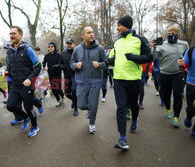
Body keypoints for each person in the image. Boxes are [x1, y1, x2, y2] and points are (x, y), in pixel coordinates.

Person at [109, 15, 152, 149]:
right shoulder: (117, 42)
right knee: (121, 108)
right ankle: (122, 138)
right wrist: (101, 63)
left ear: (126, 25)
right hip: (119, 79)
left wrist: (134, 58)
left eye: (119, 25)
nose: (117, 28)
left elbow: (149, 57)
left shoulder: (140, 39)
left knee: (134, 105)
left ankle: (134, 120)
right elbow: (112, 59)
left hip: (134, 80)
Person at [4, 26, 41, 137]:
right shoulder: (9, 50)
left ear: (21, 35)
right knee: (10, 106)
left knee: (28, 108)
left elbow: (38, 66)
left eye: (14, 33)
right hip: (15, 84)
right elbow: (9, 65)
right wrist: (6, 71)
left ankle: (35, 127)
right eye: (10, 34)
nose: (11, 36)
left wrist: (30, 79)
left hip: (27, 85)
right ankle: (25, 118)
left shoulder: (28, 49)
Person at [70, 26, 106, 134]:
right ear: (83, 35)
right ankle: (89, 110)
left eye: (92, 32)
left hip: (95, 81)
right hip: (81, 81)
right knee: (81, 105)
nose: (92, 34)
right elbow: (71, 63)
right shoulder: (77, 49)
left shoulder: (100, 48)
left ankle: (92, 124)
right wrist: (76, 65)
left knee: (94, 104)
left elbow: (107, 62)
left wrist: (99, 64)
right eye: (89, 32)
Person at [152, 25, 189, 127]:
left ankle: (176, 117)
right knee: (166, 95)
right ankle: (168, 109)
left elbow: (188, 57)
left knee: (177, 95)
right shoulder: (161, 45)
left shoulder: (184, 44)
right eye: (168, 33)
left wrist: (185, 65)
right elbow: (154, 57)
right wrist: (154, 48)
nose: (170, 35)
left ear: (177, 34)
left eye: (172, 33)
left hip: (178, 74)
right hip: (164, 74)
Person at [178, 46, 195, 140]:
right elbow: (183, 67)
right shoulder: (191, 50)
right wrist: (180, 65)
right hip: (192, 84)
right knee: (191, 108)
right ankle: (189, 116)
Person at [60, 38, 78, 116]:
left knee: (74, 92)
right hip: (66, 76)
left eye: (70, 43)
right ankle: (74, 101)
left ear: (74, 44)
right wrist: (63, 67)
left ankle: (76, 108)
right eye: (67, 43)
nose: (69, 45)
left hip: (75, 76)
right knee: (67, 94)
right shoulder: (63, 53)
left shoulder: (77, 53)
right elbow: (60, 63)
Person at [43, 42, 64, 107]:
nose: (50, 48)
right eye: (49, 47)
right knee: (53, 89)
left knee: (57, 88)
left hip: (58, 74)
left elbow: (62, 64)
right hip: (51, 74)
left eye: (51, 46)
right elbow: (43, 63)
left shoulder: (59, 55)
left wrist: (57, 65)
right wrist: (45, 67)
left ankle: (62, 96)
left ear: (54, 47)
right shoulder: (47, 56)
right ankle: (58, 100)